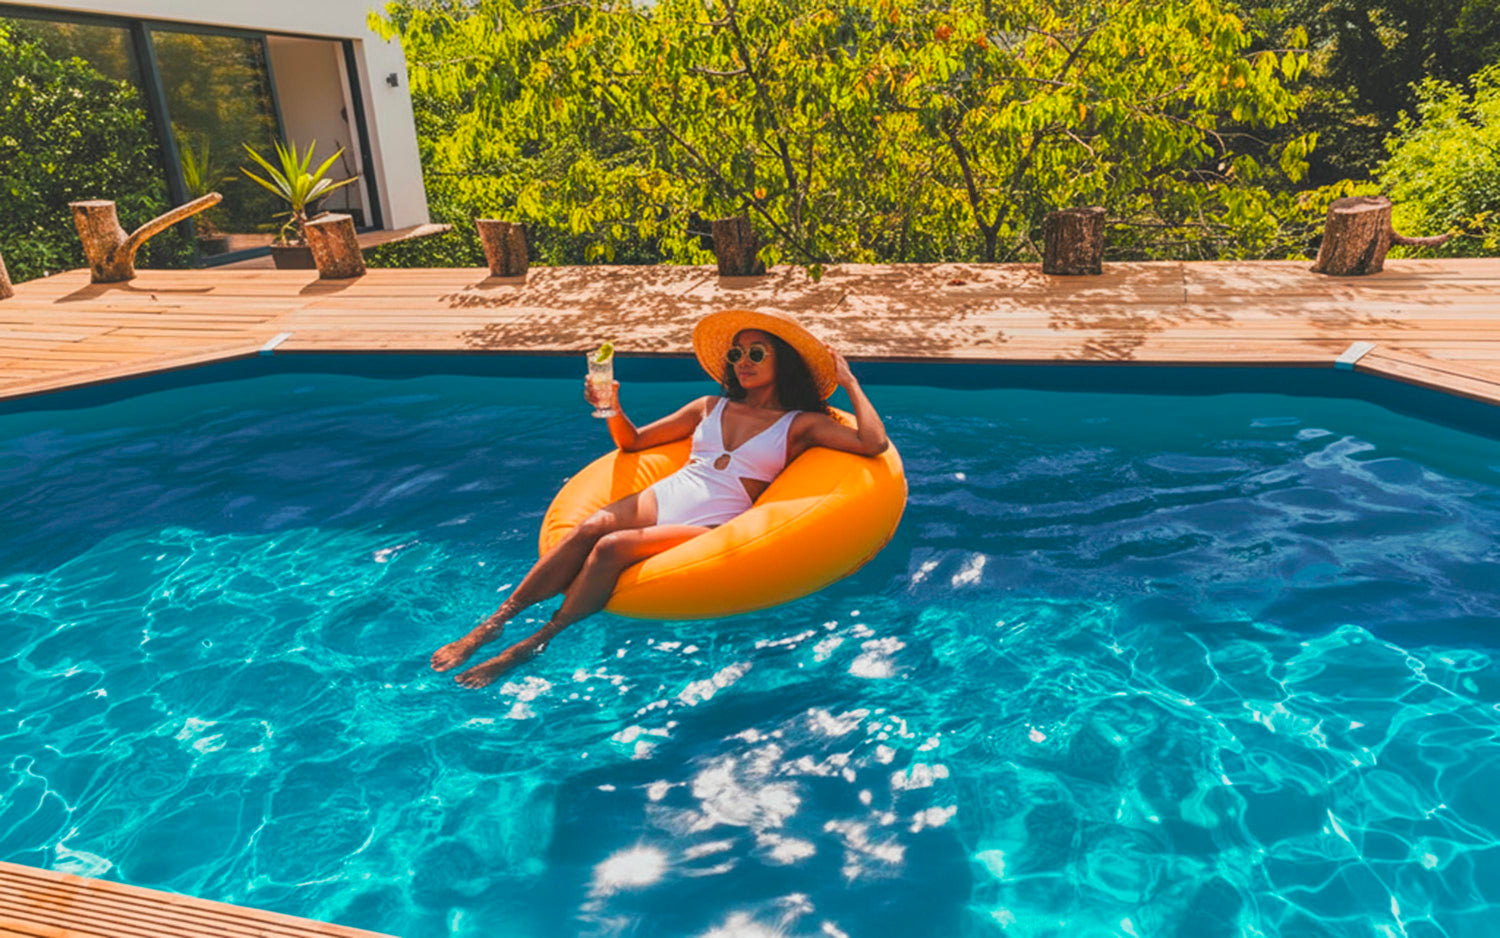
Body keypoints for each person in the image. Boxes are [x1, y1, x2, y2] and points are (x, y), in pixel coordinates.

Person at [430, 308, 890, 689]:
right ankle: (493, 623)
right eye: (737, 353)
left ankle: (533, 642)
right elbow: (633, 442)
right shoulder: (709, 406)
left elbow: (872, 444)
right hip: (667, 495)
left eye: (756, 353)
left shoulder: (800, 425)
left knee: (612, 547)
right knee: (590, 528)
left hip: (714, 521)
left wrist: (849, 381)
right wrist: (610, 404)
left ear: (782, 363)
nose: (743, 361)